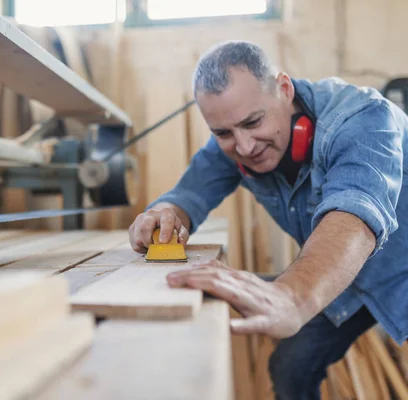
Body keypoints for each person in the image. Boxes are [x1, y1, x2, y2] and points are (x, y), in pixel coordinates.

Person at [128, 40, 408, 399]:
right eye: (223, 133)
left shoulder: (363, 117)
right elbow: (189, 194)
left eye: (253, 122)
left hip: (399, 270)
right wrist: (165, 214)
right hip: (341, 280)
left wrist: (292, 295)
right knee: (291, 367)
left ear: (284, 89)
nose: (243, 147)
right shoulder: (234, 140)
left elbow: (355, 214)